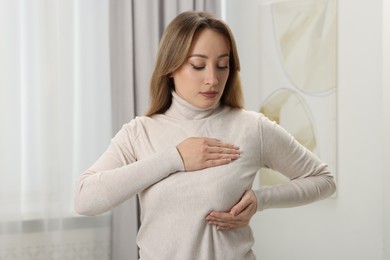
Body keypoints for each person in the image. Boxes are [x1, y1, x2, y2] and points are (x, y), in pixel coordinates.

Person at [74, 11, 336, 260]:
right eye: (198, 66)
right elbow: (85, 199)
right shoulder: (139, 133)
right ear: (170, 67)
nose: (212, 79)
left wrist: (260, 200)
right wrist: (174, 158)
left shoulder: (250, 127)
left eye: (222, 66)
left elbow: (323, 180)